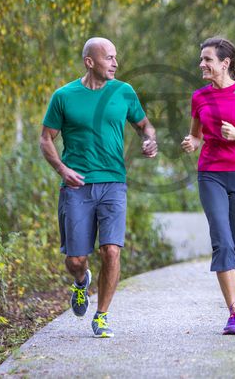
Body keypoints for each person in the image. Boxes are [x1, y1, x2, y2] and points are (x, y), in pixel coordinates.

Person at [40, 37, 158, 338]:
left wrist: (149, 139)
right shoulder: (64, 96)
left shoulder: (124, 92)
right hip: (76, 186)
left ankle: (102, 315)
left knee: (111, 250)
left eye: (116, 57)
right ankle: (81, 282)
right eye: (108, 57)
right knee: (76, 259)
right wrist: (62, 169)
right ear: (89, 62)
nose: (115, 63)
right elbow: (46, 138)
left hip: (113, 183)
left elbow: (144, 124)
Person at [181, 37, 235, 335]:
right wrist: (192, 142)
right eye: (201, 59)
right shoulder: (199, 97)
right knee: (222, 242)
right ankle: (233, 314)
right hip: (211, 174)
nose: (202, 64)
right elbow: (196, 134)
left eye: (207, 59)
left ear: (224, 63)